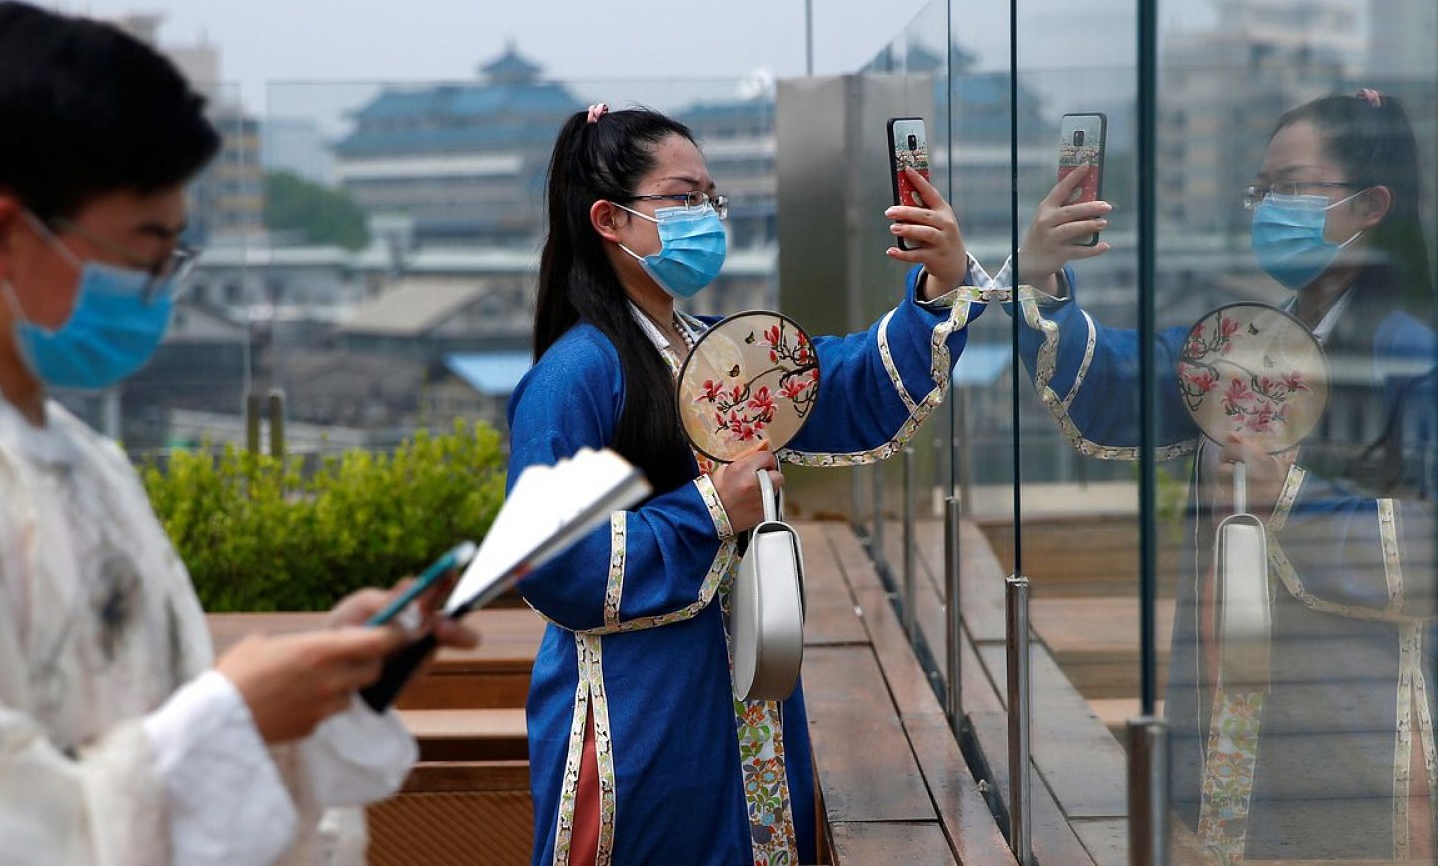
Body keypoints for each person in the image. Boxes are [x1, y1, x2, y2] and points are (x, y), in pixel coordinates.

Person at [0, 0, 475, 865]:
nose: (160, 289)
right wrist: (233, 717)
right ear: (3, 236)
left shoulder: (86, 462)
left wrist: (322, 684)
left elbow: (146, 725)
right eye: (145, 247)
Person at [508, 103, 987, 865]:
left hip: (747, 692)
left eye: (711, 198)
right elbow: (550, 558)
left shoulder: (715, 351)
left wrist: (940, 284)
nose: (706, 216)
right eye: (683, 197)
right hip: (638, 710)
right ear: (609, 218)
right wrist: (710, 509)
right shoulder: (574, 376)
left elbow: (842, 382)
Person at [1010, 90, 1437, 861]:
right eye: (1261, 190)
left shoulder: (1417, 353)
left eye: (1292, 187)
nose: (1269, 209)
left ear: (1371, 206)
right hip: (1233, 708)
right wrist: (1042, 278)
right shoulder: (1252, 342)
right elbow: (1121, 379)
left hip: (1360, 724)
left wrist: (1292, 500)